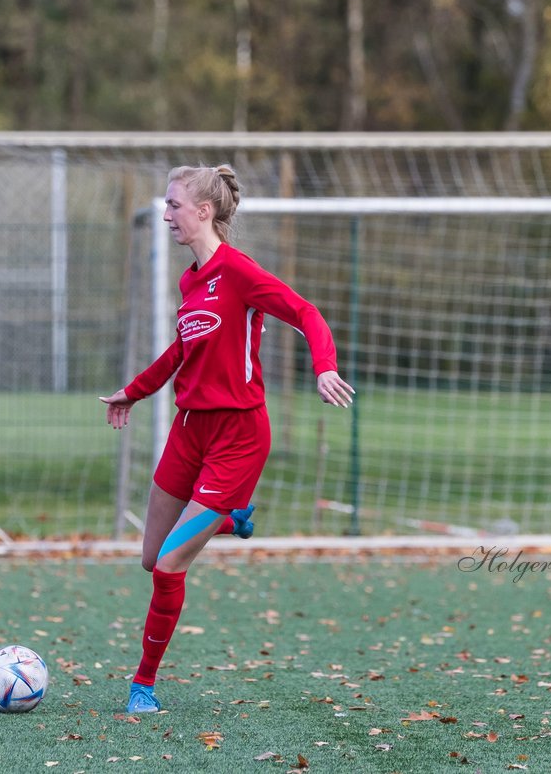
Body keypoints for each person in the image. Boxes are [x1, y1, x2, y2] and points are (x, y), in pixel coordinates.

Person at [100, 163, 354, 715]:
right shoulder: (190, 281)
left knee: (170, 566)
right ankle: (234, 511)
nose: (165, 214)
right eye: (165, 206)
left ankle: (142, 684)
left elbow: (305, 311)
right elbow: (179, 353)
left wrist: (323, 367)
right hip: (187, 432)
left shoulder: (239, 272)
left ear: (203, 211)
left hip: (238, 438)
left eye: (173, 205)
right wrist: (134, 392)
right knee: (150, 557)